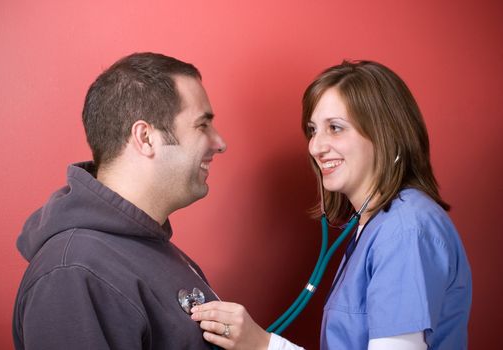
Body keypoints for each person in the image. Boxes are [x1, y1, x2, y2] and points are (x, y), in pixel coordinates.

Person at [190, 60, 472, 349]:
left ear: (387, 135)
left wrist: (264, 345)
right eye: (313, 130)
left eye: (335, 128)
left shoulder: (405, 230)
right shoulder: (375, 226)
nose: (316, 147)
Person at [12, 52, 227, 349]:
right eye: (203, 125)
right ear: (146, 137)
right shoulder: (73, 275)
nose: (220, 143)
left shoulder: (152, 249)